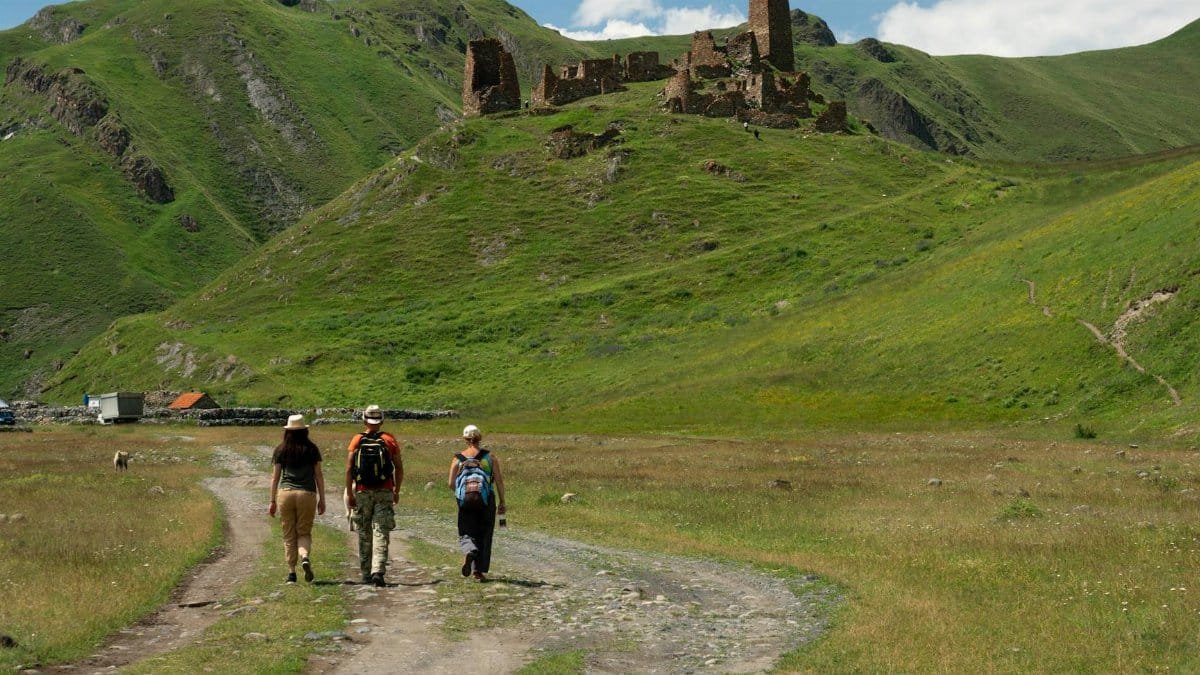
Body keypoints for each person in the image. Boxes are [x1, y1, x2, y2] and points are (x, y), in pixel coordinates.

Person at [346, 404, 402, 587]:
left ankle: (365, 572)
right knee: (381, 530)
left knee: (364, 531)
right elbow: (399, 467)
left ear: (364, 420)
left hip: (362, 490)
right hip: (384, 490)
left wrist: (351, 492)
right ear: (381, 420)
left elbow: (349, 469)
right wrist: (396, 490)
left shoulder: (356, 440)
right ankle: (378, 569)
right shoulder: (389, 440)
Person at [269, 414, 326, 584]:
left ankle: (291, 573)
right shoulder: (312, 449)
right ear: (305, 431)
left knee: (288, 534)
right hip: (307, 494)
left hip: (286, 493)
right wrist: (322, 499)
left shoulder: (281, 450)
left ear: (287, 431)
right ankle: (305, 556)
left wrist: (272, 501)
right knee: (304, 532)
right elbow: (319, 475)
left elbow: (275, 478)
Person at [448, 424, 506, 582]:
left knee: (466, 530)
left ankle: (469, 549)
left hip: (465, 501)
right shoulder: (489, 457)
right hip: (486, 499)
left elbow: (450, 483)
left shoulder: (458, 458)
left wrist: (461, 495)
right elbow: (499, 481)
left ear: (465, 439)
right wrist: (502, 501)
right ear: (479, 438)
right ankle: (478, 571)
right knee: (485, 534)